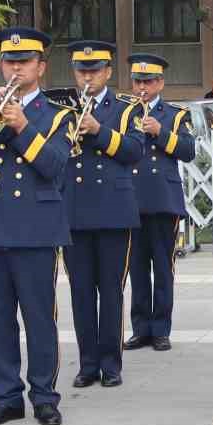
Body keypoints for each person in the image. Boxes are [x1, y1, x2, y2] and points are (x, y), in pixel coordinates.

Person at [0, 27, 74, 425]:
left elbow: (56, 167)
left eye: (24, 61)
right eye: (9, 61)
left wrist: (24, 127)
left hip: (34, 227)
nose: (15, 68)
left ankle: (44, 396)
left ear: (40, 67)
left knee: (39, 317)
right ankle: (5, 396)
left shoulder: (59, 113)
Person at [65, 40, 146, 389]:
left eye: (94, 70)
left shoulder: (127, 109)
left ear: (108, 72)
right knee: (80, 292)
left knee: (111, 291)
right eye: (82, 70)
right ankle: (87, 364)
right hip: (74, 210)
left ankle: (111, 364)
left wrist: (98, 132)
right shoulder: (63, 109)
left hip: (113, 211)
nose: (88, 76)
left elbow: (134, 151)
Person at [123, 53, 195, 352]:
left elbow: (189, 150)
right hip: (131, 198)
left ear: (160, 83)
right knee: (136, 269)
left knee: (163, 268)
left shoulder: (175, 114)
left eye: (149, 81)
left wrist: (160, 132)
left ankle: (161, 328)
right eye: (138, 81)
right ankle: (141, 328)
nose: (143, 87)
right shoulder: (125, 112)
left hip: (163, 199)